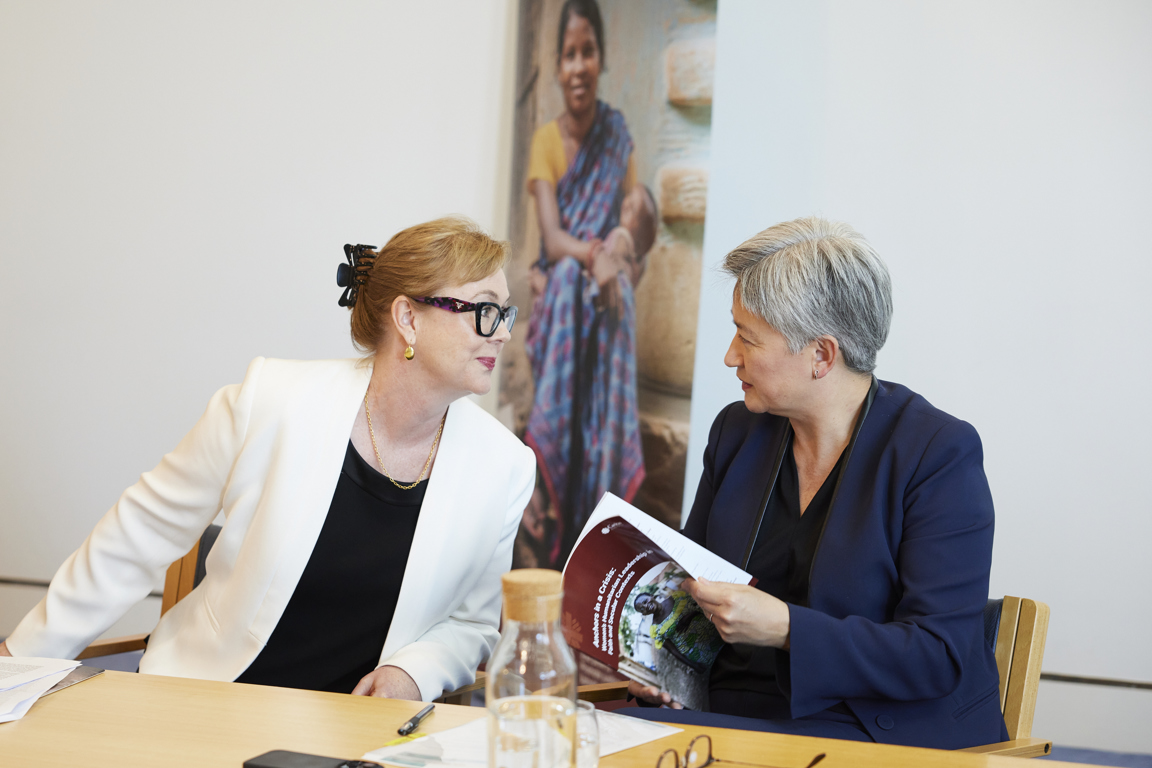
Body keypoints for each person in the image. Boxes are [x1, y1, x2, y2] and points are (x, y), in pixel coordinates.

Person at [0, 217, 535, 702]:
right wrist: (19, 660)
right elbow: (135, 537)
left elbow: (472, 623)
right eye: (485, 311)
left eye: (505, 312)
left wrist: (414, 673)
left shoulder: (505, 468)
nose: (505, 331)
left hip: (357, 740)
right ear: (408, 319)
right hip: (204, 710)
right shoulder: (269, 400)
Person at [626, 218, 1007, 750]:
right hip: (728, 714)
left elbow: (936, 655)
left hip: (871, 727)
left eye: (748, 337)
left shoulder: (937, 453)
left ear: (822, 356)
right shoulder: (737, 432)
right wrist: (658, 666)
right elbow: (691, 588)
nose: (731, 356)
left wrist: (785, 627)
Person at [521, 0, 653, 569]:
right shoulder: (547, 142)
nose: (578, 66)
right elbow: (553, 243)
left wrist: (616, 259)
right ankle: (547, 495)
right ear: (556, 66)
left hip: (604, 298)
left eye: (587, 52)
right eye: (568, 55)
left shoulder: (617, 138)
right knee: (571, 275)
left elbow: (637, 233)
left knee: (600, 285)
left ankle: (598, 526)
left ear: (600, 59)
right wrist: (596, 255)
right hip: (563, 296)